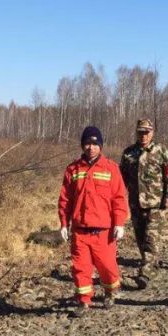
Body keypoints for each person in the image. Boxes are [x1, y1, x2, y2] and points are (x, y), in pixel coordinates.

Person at [58, 126, 129, 315]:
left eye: (95, 144)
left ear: (101, 146)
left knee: (107, 266)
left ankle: (110, 292)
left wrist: (119, 223)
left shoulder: (111, 168)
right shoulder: (73, 169)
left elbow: (119, 198)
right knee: (80, 268)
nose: (91, 147)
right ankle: (83, 302)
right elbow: (65, 199)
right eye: (87, 143)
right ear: (83, 145)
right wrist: (64, 223)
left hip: (104, 231)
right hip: (80, 231)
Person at [119, 118, 168, 285]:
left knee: (151, 238)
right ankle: (151, 262)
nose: (143, 136)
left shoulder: (161, 151)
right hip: (135, 203)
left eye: (146, 132)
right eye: (140, 132)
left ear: (152, 133)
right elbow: (121, 179)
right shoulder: (128, 153)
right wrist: (118, 198)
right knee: (140, 238)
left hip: (155, 204)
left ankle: (145, 273)